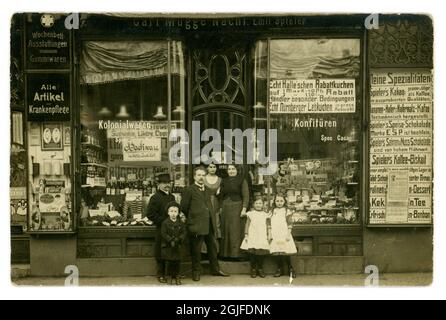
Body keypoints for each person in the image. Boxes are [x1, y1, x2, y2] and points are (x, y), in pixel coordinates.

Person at [181, 166, 229, 281]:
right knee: (196, 250)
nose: (201, 177)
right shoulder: (189, 190)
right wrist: (191, 221)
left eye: (203, 175)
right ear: (194, 177)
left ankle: (215, 270)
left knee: (212, 248)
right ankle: (196, 272)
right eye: (199, 175)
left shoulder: (207, 190)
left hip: (209, 225)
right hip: (196, 225)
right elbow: (184, 207)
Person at [145, 173, 176, 283]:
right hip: (161, 229)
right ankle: (161, 274)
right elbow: (150, 214)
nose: (167, 185)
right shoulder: (155, 197)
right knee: (161, 252)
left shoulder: (172, 197)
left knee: (171, 251)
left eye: (168, 183)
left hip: (172, 229)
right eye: (164, 183)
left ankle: (172, 274)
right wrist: (164, 222)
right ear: (158, 185)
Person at [219, 164, 250, 259]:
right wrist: (220, 207)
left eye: (233, 169)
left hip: (237, 207)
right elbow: (221, 195)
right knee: (226, 229)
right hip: (225, 207)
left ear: (237, 170)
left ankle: (237, 255)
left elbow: (246, 195)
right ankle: (226, 254)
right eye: (229, 169)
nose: (231, 171)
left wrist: (244, 208)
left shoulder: (242, 180)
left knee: (236, 231)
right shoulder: (223, 181)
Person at [240, 196, 270, 278]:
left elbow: (268, 225)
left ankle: (260, 268)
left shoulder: (265, 215)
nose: (258, 205)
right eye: (256, 203)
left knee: (261, 252)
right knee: (252, 253)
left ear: (263, 204)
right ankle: (253, 268)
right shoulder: (251, 214)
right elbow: (247, 224)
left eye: (260, 203)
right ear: (253, 204)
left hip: (262, 235)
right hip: (253, 235)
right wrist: (246, 234)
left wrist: (268, 234)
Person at [269, 193, 297, 278]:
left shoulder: (286, 211)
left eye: (281, 201)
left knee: (285, 252)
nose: (279, 202)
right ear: (274, 201)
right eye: (277, 201)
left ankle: (290, 269)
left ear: (284, 202)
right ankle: (279, 269)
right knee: (278, 252)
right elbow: (268, 223)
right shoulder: (272, 211)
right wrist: (269, 233)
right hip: (275, 233)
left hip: (284, 233)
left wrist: (288, 234)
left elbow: (289, 223)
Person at [160, 202, 186, 285]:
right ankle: (170, 277)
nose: (173, 214)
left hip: (178, 245)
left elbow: (184, 232)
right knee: (169, 262)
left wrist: (179, 238)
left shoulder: (180, 223)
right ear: (168, 212)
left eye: (175, 211)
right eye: (171, 211)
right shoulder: (165, 223)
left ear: (178, 213)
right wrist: (170, 239)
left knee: (177, 262)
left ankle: (177, 276)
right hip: (168, 246)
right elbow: (163, 233)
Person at [204, 163, 222, 240]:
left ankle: (216, 247)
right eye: (210, 167)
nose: (212, 169)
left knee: (216, 221)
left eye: (214, 167)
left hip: (215, 202)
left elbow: (220, 193)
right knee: (206, 221)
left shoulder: (220, 180)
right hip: (205, 201)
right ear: (207, 168)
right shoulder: (203, 178)